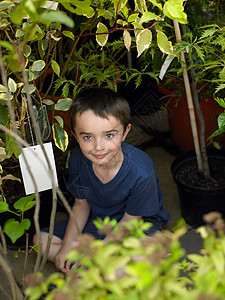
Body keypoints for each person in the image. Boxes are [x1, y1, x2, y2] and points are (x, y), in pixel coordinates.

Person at [33, 87, 169, 274]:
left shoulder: (141, 172)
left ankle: (90, 268)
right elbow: (81, 205)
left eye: (109, 135)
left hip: (136, 226)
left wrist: (96, 253)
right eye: (87, 137)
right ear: (75, 136)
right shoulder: (77, 160)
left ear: (125, 132)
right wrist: (67, 245)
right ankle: (90, 269)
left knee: (124, 268)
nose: (98, 147)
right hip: (99, 221)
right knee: (39, 242)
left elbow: (130, 221)